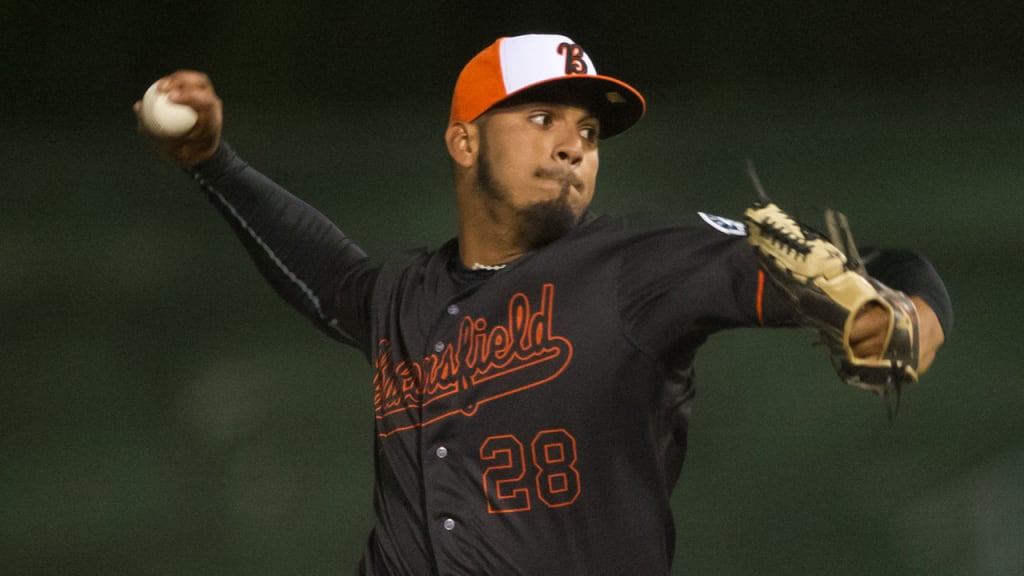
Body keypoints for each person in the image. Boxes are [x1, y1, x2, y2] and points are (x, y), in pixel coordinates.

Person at [136, 33, 951, 576]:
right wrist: (213, 161)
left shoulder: (639, 266)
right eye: (541, 117)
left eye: (588, 133)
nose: (574, 144)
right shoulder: (403, 297)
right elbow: (324, 275)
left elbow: (873, 267)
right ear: (464, 142)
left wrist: (911, 312)